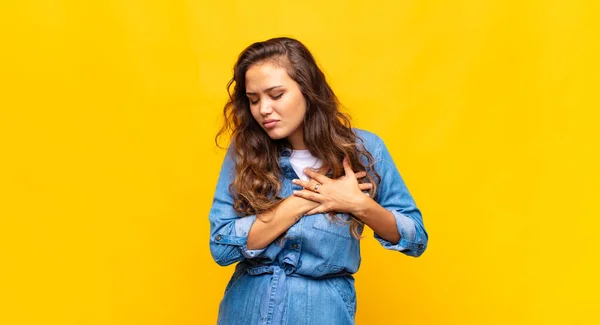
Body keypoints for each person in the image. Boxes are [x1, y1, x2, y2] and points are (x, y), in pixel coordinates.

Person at [208, 37, 428, 325]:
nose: (263, 109)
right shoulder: (245, 150)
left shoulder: (364, 150)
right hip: (246, 311)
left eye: (276, 95)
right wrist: (302, 201)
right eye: (253, 100)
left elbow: (415, 238)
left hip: (323, 312)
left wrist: (357, 204)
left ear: (307, 90)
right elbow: (222, 247)